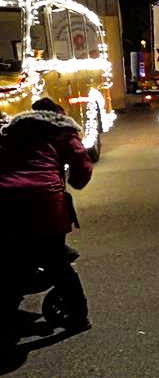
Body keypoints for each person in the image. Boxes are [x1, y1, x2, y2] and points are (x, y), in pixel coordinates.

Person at [0, 97, 94, 342]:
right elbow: (82, 166)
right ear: (58, 114)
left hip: (6, 198)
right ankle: (78, 315)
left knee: (11, 257)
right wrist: (75, 181)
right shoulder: (64, 131)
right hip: (44, 200)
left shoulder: (13, 131)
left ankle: (8, 313)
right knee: (56, 259)